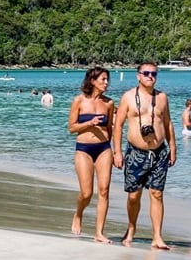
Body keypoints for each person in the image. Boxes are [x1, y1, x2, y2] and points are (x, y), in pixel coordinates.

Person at [112, 62, 176, 250]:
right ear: (138, 76)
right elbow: (118, 125)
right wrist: (117, 152)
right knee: (134, 196)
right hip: (136, 153)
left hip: (159, 152)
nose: (150, 77)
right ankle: (131, 228)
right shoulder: (128, 97)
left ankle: (157, 237)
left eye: (154, 74)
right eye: (146, 73)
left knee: (157, 194)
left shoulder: (162, 97)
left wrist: (173, 147)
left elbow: (167, 123)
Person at [68, 67, 115, 243]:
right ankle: (78, 213)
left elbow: (110, 128)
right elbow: (72, 128)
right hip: (84, 149)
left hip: (104, 149)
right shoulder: (79, 101)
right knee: (86, 193)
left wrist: (115, 151)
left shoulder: (109, 103)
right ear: (92, 81)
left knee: (104, 190)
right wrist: (89, 123)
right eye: (103, 79)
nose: (106, 83)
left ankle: (99, 233)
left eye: (107, 79)